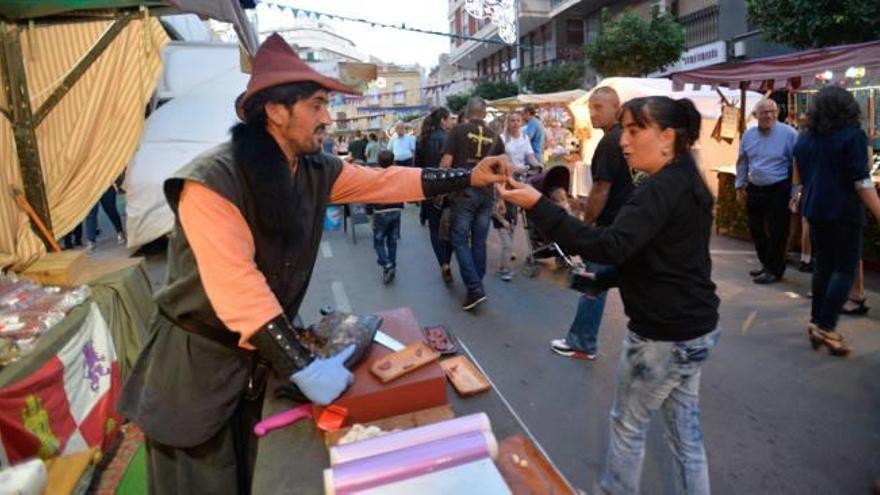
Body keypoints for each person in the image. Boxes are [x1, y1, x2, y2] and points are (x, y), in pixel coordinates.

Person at [117, 33, 511, 495]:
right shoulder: (212, 181)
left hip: (254, 366)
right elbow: (238, 286)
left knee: (251, 475)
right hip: (194, 373)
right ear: (276, 111)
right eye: (316, 105)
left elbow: (384, 182)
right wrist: (302, 364)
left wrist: (468, 174)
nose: (327, 117)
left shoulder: (314, 169)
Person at [500, 96, 721, 495]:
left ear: (668, 137)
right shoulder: (686, 181)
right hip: (695, 330)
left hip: (662, 336)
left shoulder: (662, 188)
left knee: (628, 426)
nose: (624, 141)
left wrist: (539, 205)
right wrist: (599, 281)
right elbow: (660, 258)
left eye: (635, 131)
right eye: (624, 130)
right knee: (685, 436)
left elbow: (610, 245)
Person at [793, 86, 880, 356]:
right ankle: (826, 326)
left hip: (815, 209)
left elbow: (800, 172)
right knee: (845, 269)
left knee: (824, 267)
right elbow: (861, 181)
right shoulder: (852, 137)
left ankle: (816, 321)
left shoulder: (805, 139)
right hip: (843, 211)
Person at [551, 87, 634, 361]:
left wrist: (586, 224)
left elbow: (602, 188)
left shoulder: (611, 142)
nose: (593, 113)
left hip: (610, 227)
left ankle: (582, 341)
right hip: (626, 225)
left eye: (599, 107)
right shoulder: (621, 139)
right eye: (591, 108)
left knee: (592, 284)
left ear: (616, 108)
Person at [441, 96, 506, 311]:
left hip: (464, 193)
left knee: (459, 239)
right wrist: (501, 198)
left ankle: (475, 288)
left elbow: (446, 163)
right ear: (485, 113)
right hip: (486, 194)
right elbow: (502, 171)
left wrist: (440, 189)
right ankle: (475, 287)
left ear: (468, 112)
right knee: (479, 242)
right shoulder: (496, 137)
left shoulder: (457, 131)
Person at [735, 99, 798, 284]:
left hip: (779, 187)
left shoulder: (789, 134)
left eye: (773, 111)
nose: (769, 115)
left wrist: (795, 191)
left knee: (778, 230)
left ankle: (775, 269)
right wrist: (739, 186)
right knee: (756, 229)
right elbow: (742, 161)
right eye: (764, 112)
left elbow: (797, 165)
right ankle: (766, 264)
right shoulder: (748, 135)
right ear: (756, 115)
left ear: (778, 112)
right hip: (755, 187)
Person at [416, 107, 455, 282]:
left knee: (434, 228)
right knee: (450, 227)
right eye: (450, 119)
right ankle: (448, 259)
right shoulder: (449, 139)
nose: (452, 122)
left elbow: (417, 168)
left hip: (429, 189)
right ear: (443, 120)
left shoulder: (423, 140)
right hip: (449, 189)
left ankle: (443, 263)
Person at [365, 150, 403, 284]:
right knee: (392, 241)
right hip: (396, 210)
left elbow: (369, 196)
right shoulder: (397, 175)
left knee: (378, 242)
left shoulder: (374, 176)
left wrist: (369, 213)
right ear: (393, 162)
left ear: (378, 161)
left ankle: (387, 265)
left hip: (380, 212)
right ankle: (392, 265)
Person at [85, 185, 126, 252]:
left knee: (111, 210)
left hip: (106, 185)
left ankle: (120, 232)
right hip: (91, 188)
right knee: (91, 213)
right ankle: (91, 240)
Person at [491, 196, 515, 281]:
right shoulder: (498, 189)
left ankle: (503, 268)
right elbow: (493, 209)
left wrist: (513, 221)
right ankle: (506, 270)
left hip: (510, 221)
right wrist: (502, 221)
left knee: (508, 246)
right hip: (502, 222)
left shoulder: (511, 188)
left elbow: (513, 207)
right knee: (507, 245)